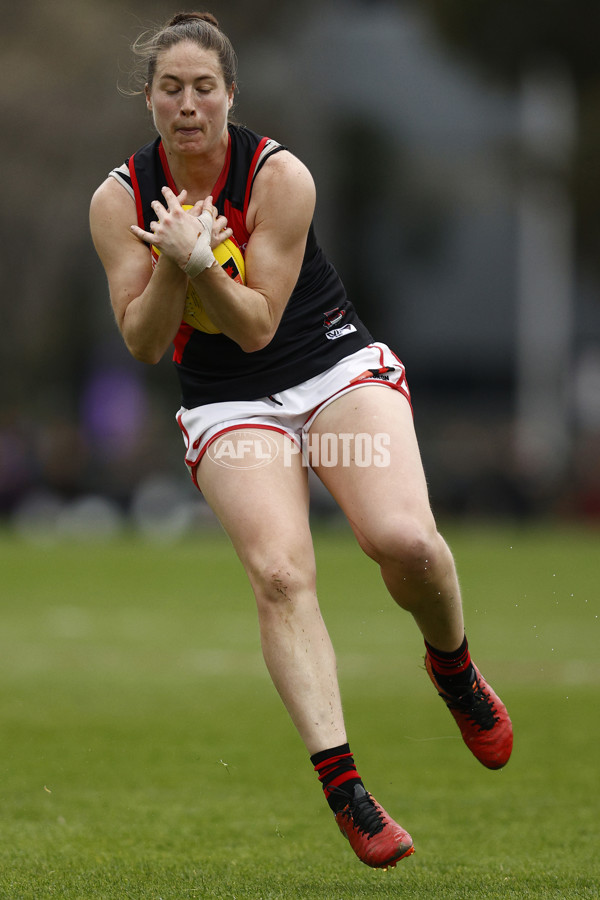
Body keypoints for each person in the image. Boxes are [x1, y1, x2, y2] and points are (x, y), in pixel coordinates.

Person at [90, 11, 513, 870]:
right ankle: (346, 790)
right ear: (150, 99)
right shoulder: (119, 200)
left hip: (329, 368)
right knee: (281, 573)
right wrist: (173, 258)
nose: (187, 104)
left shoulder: (279, 177)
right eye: (170, 88)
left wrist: (201, 260)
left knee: (403, 543)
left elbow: (254, 326)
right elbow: (141, 342)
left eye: (203, 87)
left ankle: (455, 670)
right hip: (226, 403)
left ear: (230, 94)